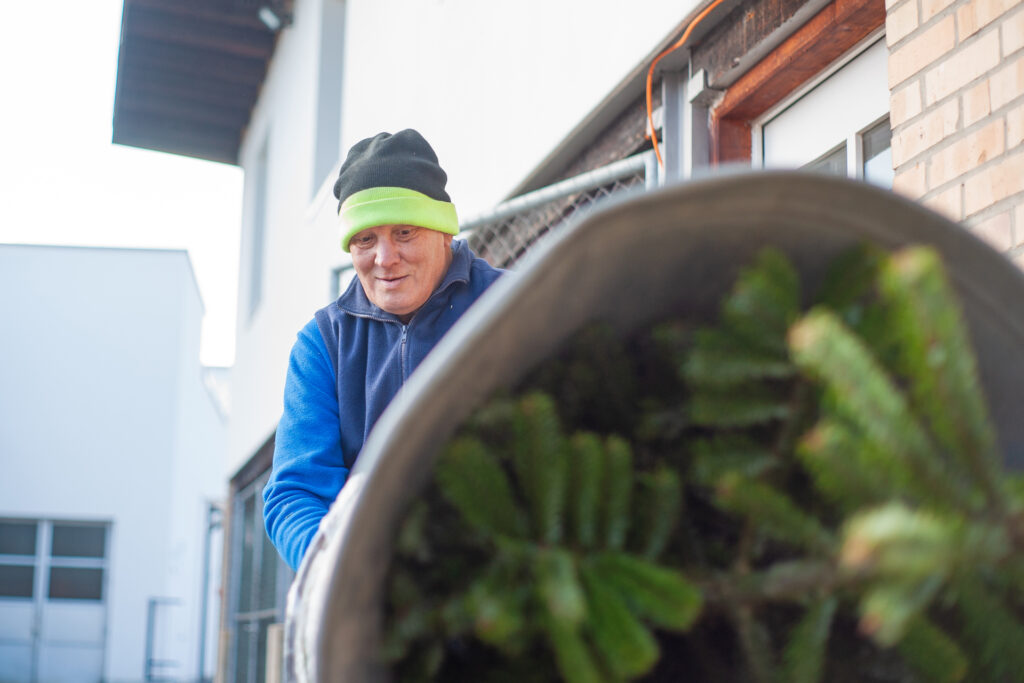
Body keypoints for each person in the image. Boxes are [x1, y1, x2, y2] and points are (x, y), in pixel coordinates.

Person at [263, 130, 505, 571]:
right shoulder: (322, 345)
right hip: (370, 590)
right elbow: (297, 491)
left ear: (443, 230)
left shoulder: (511, 307)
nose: (385, 257)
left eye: (405, 231)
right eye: (365, 240)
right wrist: (340, 575)